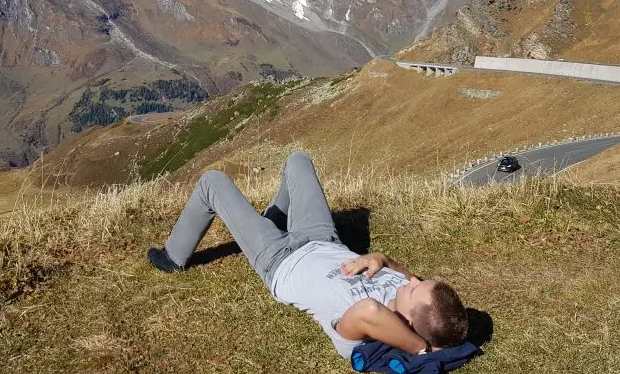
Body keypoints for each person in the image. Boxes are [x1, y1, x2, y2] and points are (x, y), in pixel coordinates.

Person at [148, 151, 469, 358]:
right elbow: (404, 279)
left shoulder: (362, 332)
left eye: (414, 287)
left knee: (212, 182)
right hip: (322, 238)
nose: (412, 278)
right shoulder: (406, 295)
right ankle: (271, 221)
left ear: (410, 322)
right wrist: (381, 259)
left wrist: (420, 349)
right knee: (297, 160)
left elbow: (369, 310)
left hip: (279, 259)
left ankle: (173, 258)